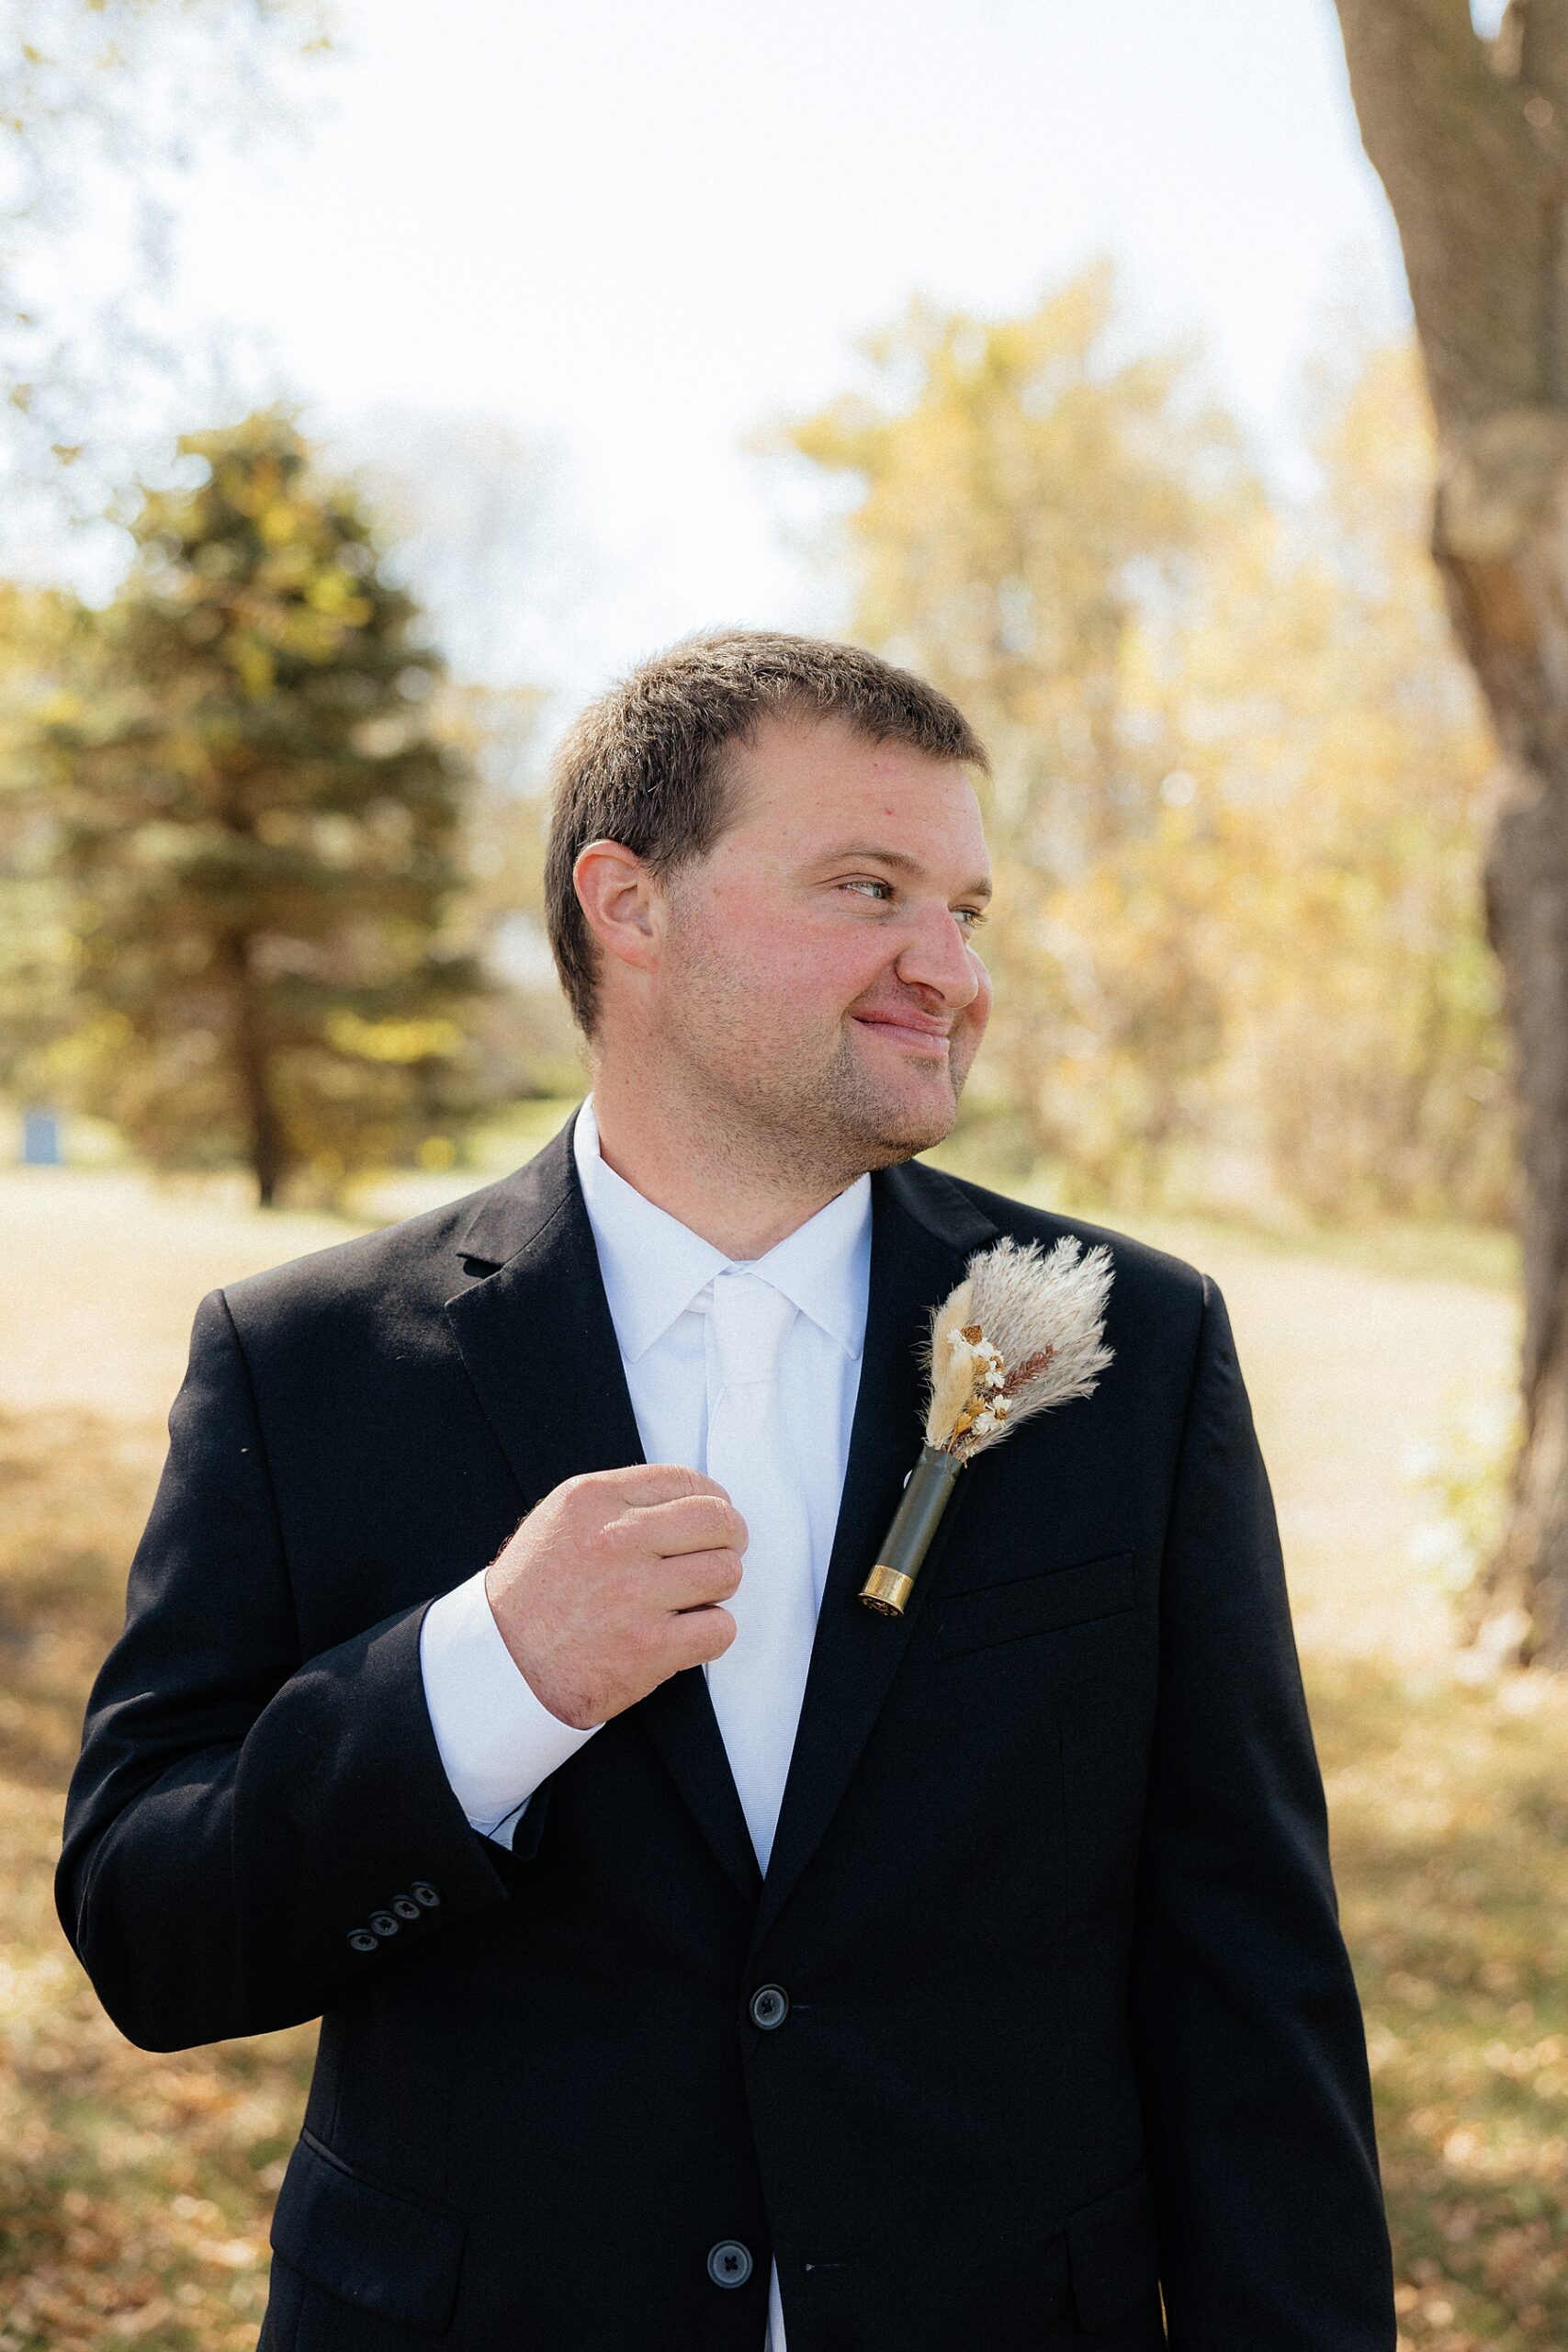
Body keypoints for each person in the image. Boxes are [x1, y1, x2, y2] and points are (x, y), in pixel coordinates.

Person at [57, 631, 1397, 2352]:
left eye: (967, 913)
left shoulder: (1133, 1350)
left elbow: (1250, 1972)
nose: (951, 973)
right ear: (629, 904)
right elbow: (151, 1933)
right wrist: (485, 1683)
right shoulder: (307, 1361)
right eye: (869, 887)